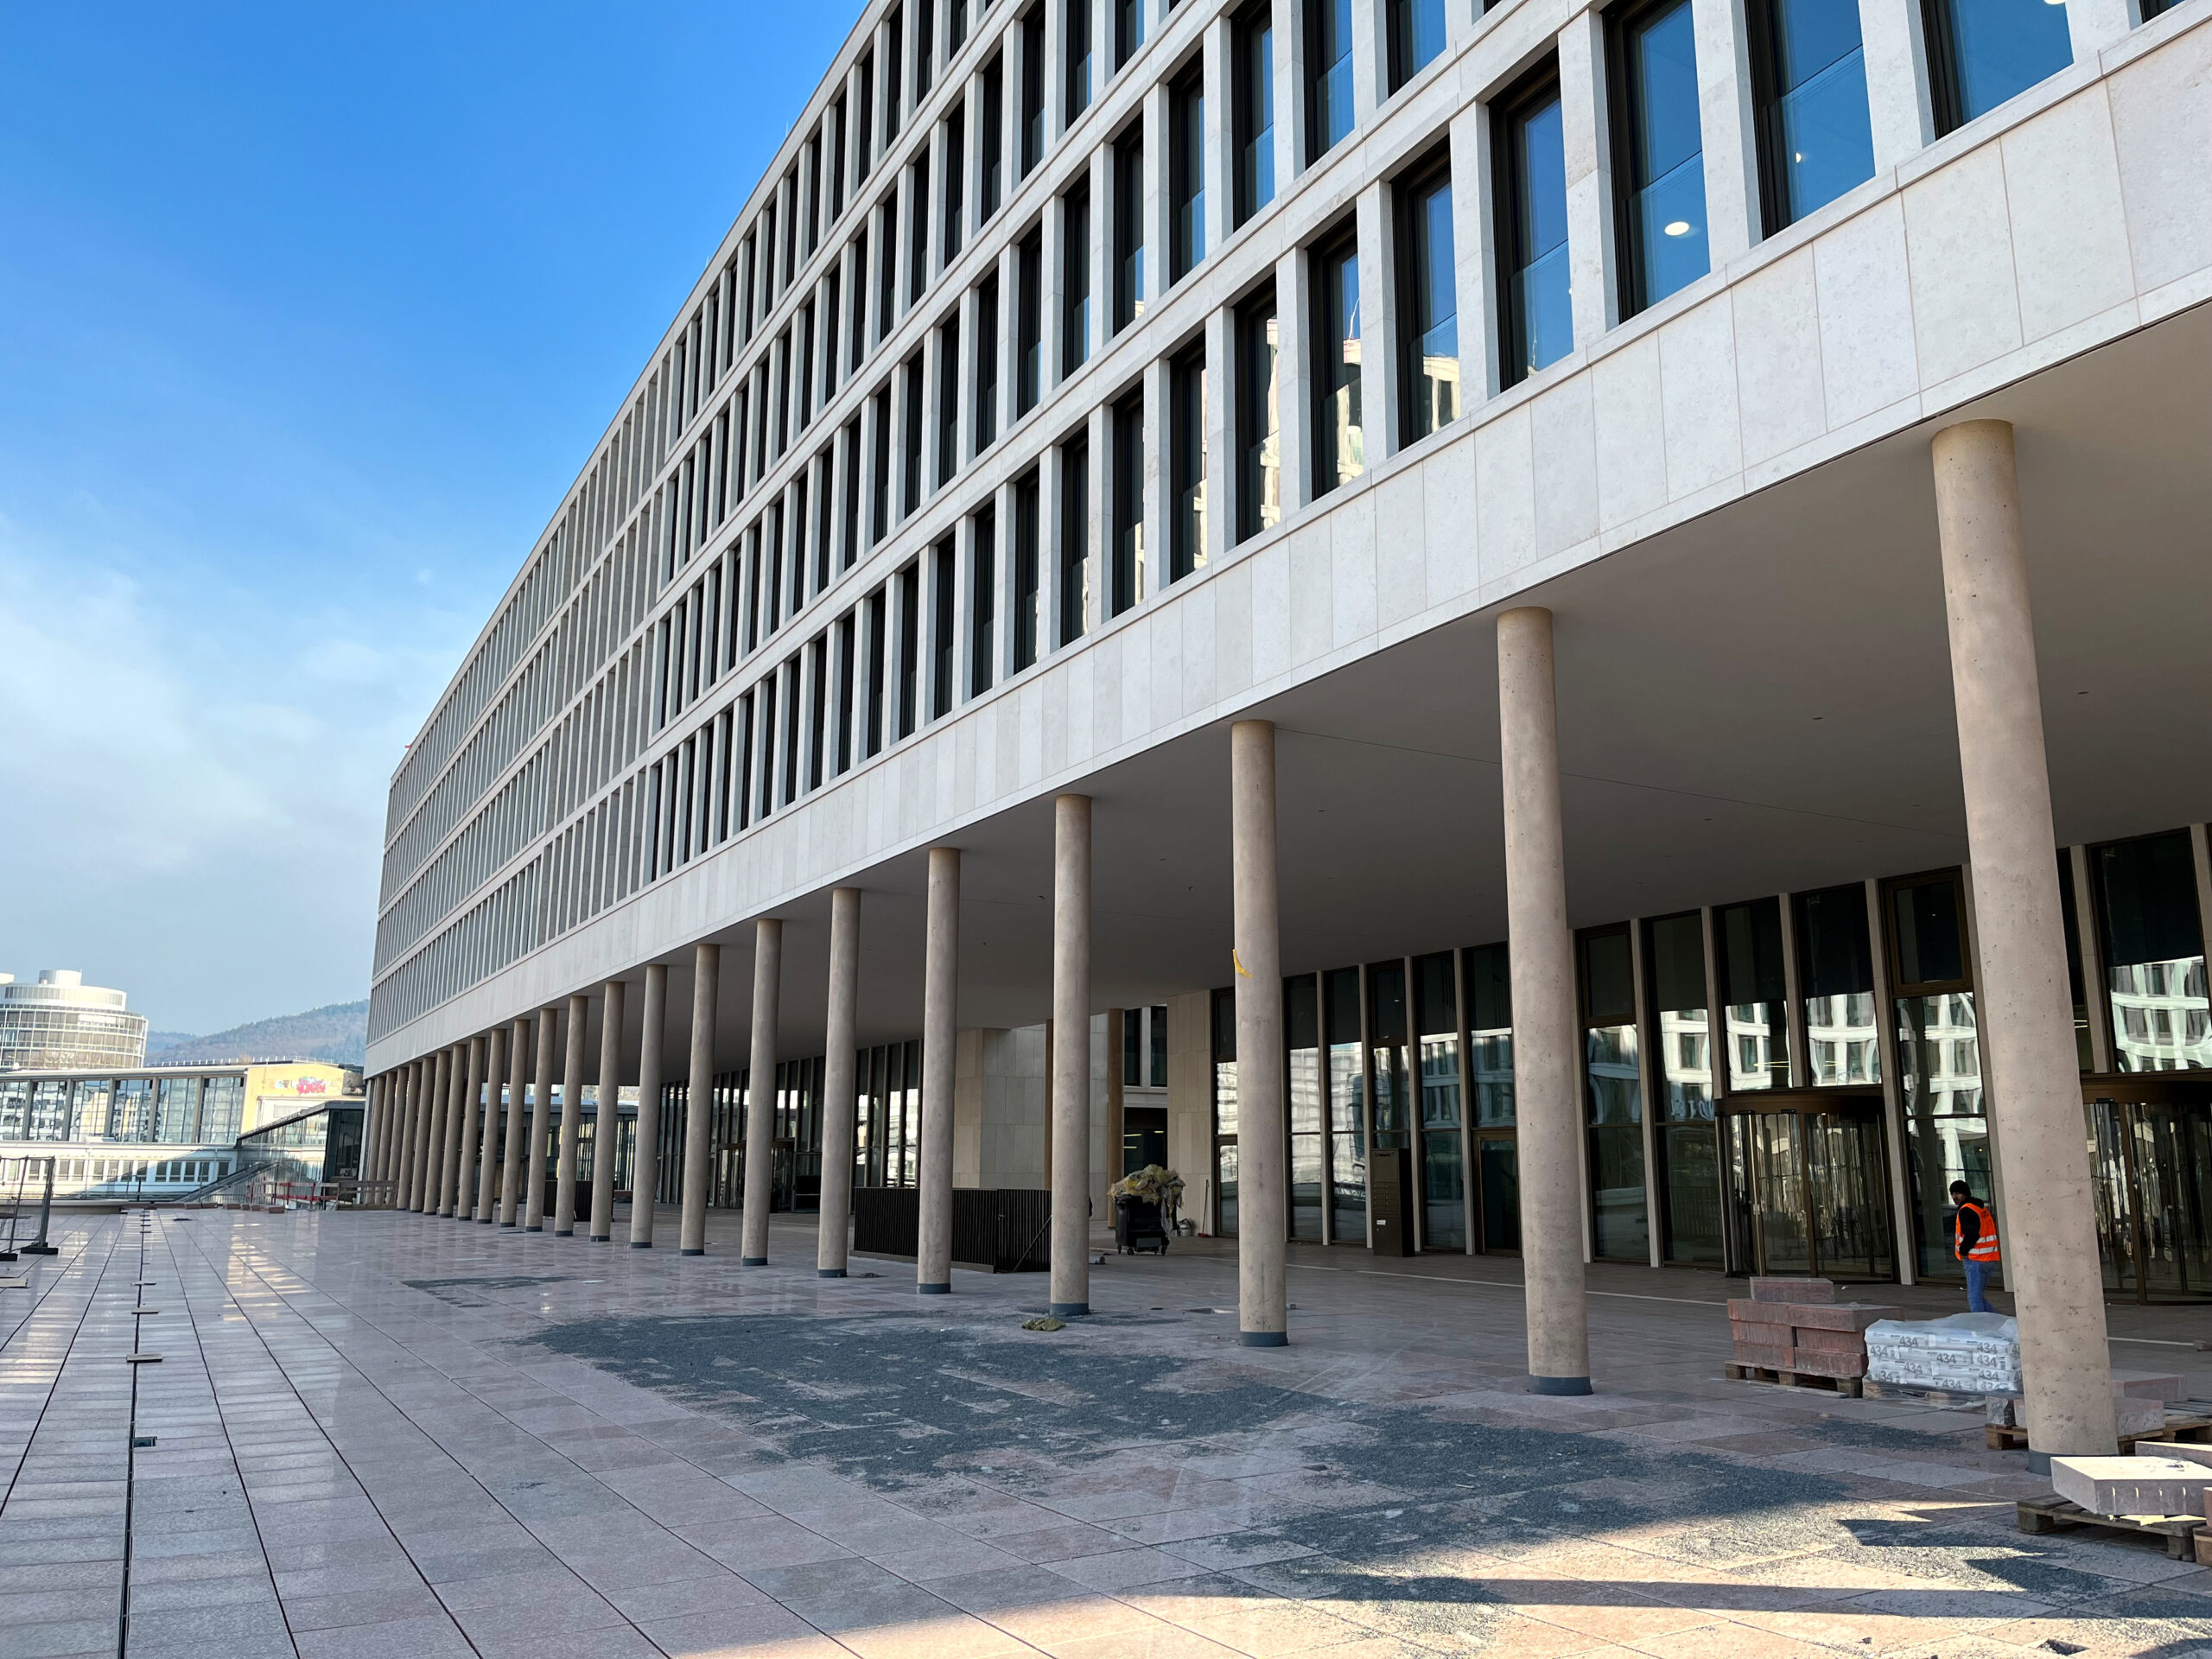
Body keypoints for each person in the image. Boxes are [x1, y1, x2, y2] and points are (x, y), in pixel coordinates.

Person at [1951, 1180, 2000, 1313]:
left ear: (1965, 1194)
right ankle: (1996, 1323)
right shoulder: (1980, 1208)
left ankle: (1982, 1328)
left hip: (1976, 1258)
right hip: (1989, 1258)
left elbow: (1972, 1233)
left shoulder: (1966, 1210)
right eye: (1953, 1194)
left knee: (1974, 1299)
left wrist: (1963, 1251)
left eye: (1958, 1193)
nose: (1955, 1197)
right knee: (1978, 1297)